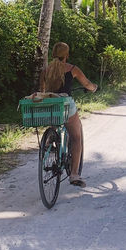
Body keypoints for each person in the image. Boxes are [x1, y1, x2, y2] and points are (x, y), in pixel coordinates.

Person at [40, 41, 98, 187]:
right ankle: (74, 174)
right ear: (67, 54)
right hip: (65, 105)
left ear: (53, 54)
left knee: (55, 119)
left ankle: (49, 140)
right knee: (76, 138)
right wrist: (94, 88)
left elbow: (43, 91)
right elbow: (87, 84)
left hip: (50, 105)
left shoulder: (46, 70)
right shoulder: (72, 69)